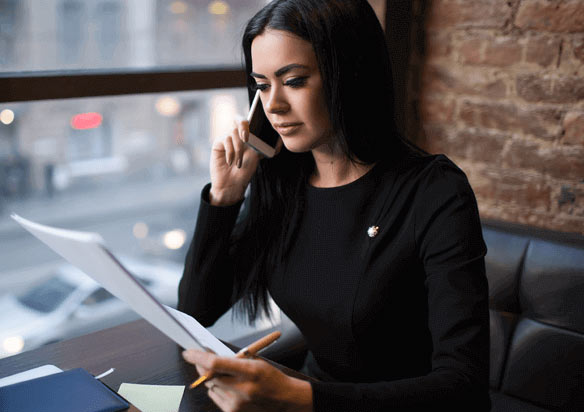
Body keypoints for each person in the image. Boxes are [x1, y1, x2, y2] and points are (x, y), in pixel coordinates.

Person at [177, 1, 491, 411]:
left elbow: (463, 386)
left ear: (349, 74)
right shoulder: (283, 186)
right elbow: (196, 310)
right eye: (262, 85)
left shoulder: (434, 191)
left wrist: (297, 396)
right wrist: (224, 198)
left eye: (293, 80)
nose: (273, 106)